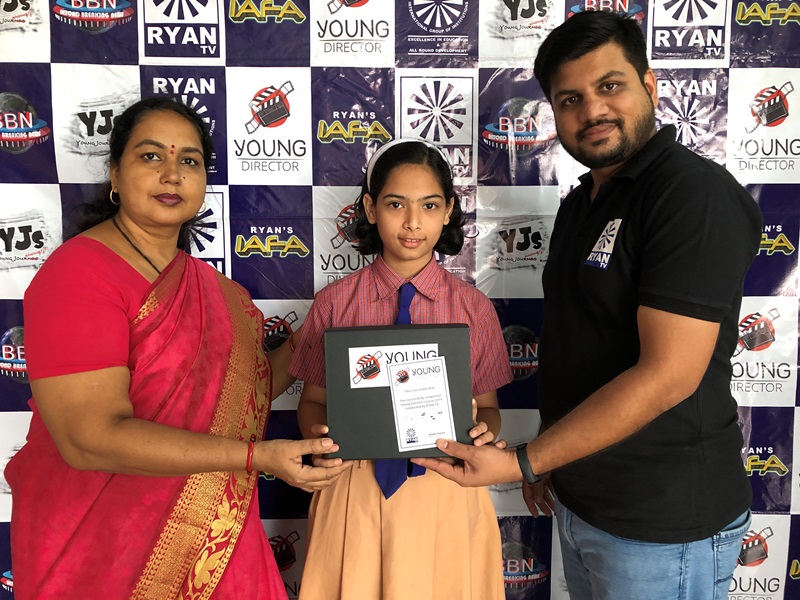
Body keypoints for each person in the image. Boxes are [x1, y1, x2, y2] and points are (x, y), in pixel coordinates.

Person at [414, 11, 762, 600]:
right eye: (570, 99)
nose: (593, 110)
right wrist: (551, 457)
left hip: (662, 525)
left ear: (649, 85)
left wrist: (526, 460)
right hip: (584, 501)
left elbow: (669, 374)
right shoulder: (584, 201)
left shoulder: (691, 194)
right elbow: (581, 343)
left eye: (610, 86)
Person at [4, 97, 349, 600]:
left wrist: (312, 336)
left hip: (215, 539)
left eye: (189, 160)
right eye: (150, 156)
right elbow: (88, 438)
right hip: (104, 551)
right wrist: (256, 456)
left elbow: (253, 389)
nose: (172, 174)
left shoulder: (222, 294)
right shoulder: (78, 274)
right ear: (114, 174)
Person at [288, 139, 513, 599]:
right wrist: (326, 439)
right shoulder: (334, 303)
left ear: (448, 211)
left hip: (446, 485)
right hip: (354, 488)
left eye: (429, 205)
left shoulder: (474, 308)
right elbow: (311, 401)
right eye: (396, 204)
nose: (413, 222)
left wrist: (483, 433)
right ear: (371, 209)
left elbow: (488, 409)